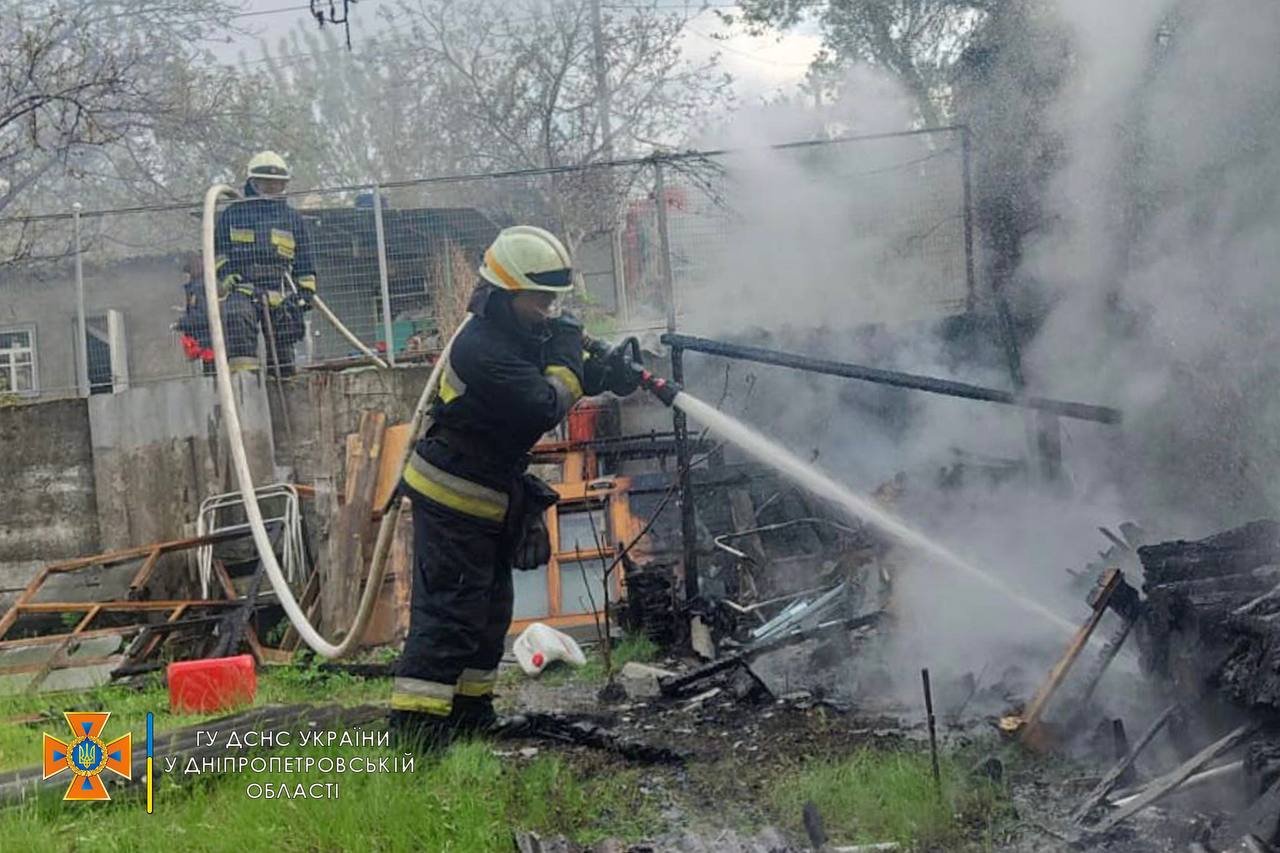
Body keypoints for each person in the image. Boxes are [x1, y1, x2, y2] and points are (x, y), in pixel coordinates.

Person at [390, 225, 623, 747]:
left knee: (489, 615)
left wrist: (605, 373)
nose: (547, 309)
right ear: (506, 292)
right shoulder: (480, 347)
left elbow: (551, 374)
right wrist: (570, 364)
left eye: (551, 299)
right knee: (449, 617)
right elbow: (545, 402)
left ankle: (471, 721)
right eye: (538, 299)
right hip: (454, 497)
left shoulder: (514, 335)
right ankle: (415, 741)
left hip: (487, 496)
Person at [211, 150, 317, 375]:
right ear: (253, 183)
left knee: (285, 338)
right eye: (265, 183)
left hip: (279, 289)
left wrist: (305, 293)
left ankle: (284, 380)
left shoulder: (292, 219)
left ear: (284, 185)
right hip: (244, 287)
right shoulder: (233, 214)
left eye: (276, 184)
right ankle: (244, 381)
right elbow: (218, 253)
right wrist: (227, 275)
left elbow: (305, 260)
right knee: (237, 317)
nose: (271, 188)